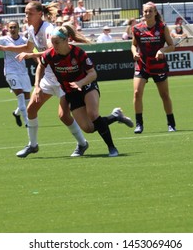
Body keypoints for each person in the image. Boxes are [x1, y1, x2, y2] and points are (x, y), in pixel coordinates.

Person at [0, 1, 89, 158]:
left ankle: (82, 144)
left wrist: (31, 56)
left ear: (39, 14)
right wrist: (4, 48)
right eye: (25, 13)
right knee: (31, 109)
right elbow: (27, 48)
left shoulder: (48, 29)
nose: (26, 16)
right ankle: (33, 145)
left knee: (63, 116)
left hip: (63, 77)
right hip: (49, 76)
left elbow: (53, 50)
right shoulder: (30, 29)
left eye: (29, 13)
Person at [41, 24, 134, 156]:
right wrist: (38, 85)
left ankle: (112, 148)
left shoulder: (78, 53)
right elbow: (41, 66)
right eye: (52, 42)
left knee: (93, 114)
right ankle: (115, 116)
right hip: (71, 92)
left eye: (56, 42)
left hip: (87, 86)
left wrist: (80, 82)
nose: (53, 45)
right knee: (88, 128)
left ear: (66, 40)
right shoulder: (49, 55)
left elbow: (93, 74)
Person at [131, 1, 176, 134]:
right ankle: (139, 124)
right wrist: (134, 53)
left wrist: (162, 50)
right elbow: (133, 45)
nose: (147, 13)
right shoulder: (137, 28)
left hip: (158, 65)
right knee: (137, 93)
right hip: (142, 65)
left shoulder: (162, 27)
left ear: (155, 13)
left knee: (164, 95)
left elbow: (171, 46)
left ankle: (171, 123)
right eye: (145, 11)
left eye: (150, 11)